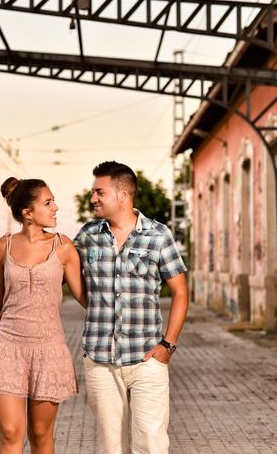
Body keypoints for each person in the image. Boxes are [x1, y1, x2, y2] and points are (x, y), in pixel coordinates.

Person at [75, 161, 189, 454]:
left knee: (151, 443)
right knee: (112, 448)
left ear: (123, 195)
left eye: (99, 192)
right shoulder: (88, 236)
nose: (93, 199)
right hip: (100, 359)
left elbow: (180, 292)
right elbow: (57, 272)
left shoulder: (158, 235)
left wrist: (168, 346)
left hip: (147, 358)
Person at [0, 177, 87, 454]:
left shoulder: (63, 247)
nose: (56, 207)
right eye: (48, 203)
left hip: (48, 349)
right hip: (7, 347)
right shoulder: (4, 246)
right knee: (11, 433)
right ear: (28, 213)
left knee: (40, 435)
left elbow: (85, 298)